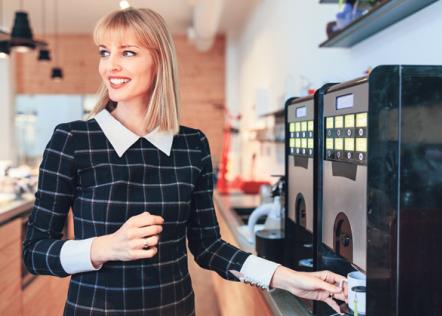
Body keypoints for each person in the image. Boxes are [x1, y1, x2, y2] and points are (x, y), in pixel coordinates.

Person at [22, 7, 347, 315]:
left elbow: (209, 248)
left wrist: (288, 278)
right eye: (105, 52)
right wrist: (105, 248)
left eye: (128, 52)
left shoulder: (191, 145)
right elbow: (35, 252)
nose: (110, 66)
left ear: (159, 61)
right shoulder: (73, 140)